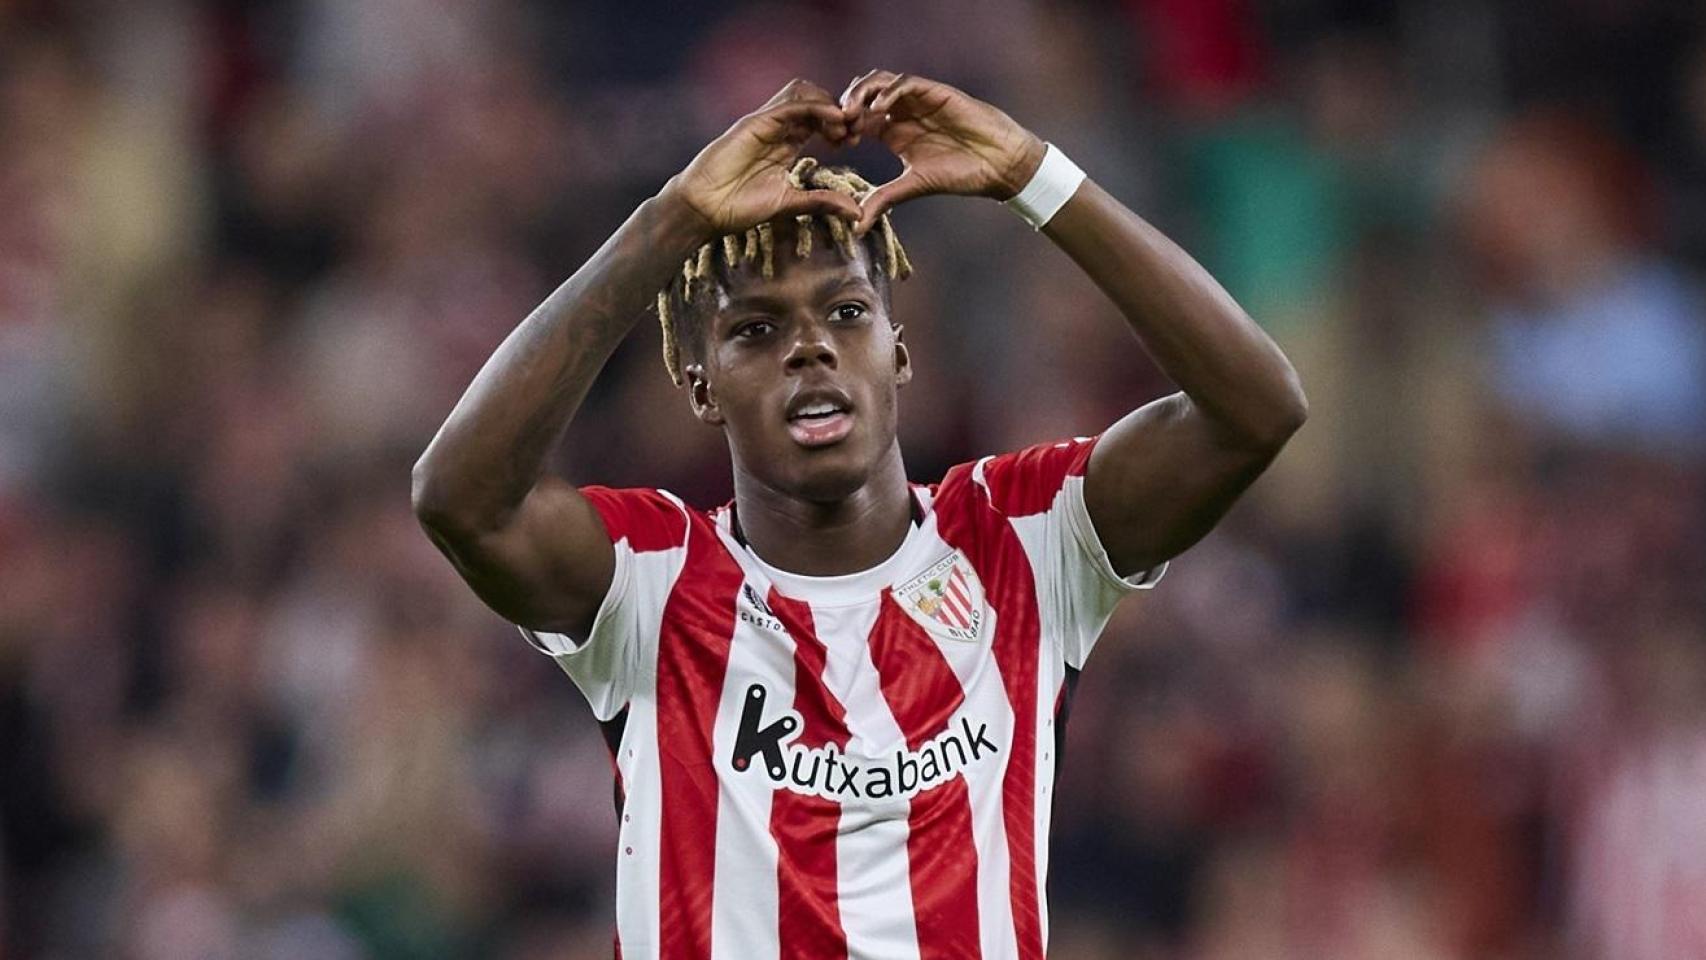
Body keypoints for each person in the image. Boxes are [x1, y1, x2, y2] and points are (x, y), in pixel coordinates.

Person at [411, 70, 1307, 960]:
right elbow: (460, 499)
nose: (810, 346)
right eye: (755, 330)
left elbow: (1257, 410)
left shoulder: (1023, 538)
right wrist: (671, 220)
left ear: (898, 353)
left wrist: (1032, 174)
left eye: (846, 312)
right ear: (700, 386)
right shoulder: (652, 576)